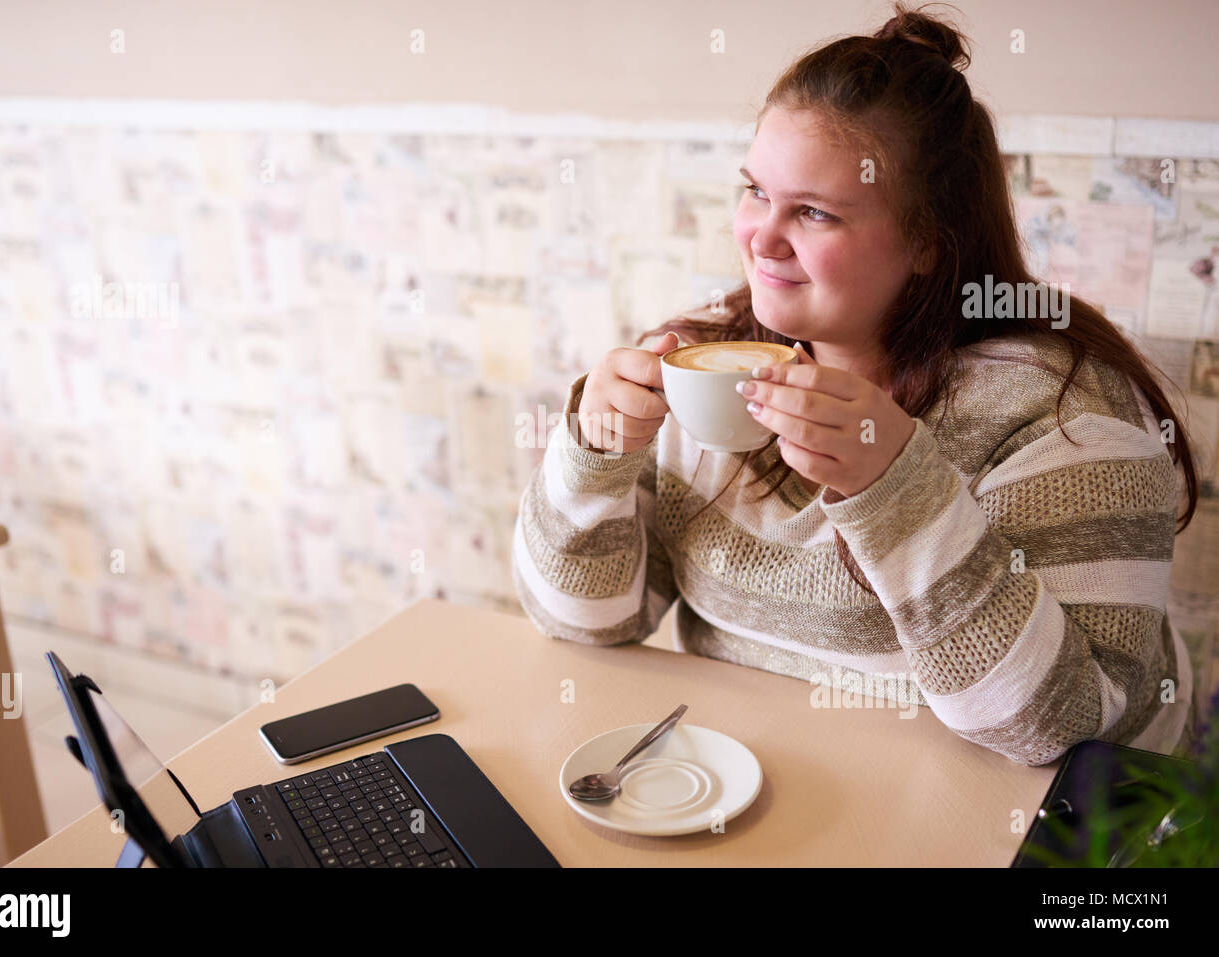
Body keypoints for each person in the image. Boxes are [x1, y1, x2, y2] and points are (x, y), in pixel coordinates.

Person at [511, 2, 1202, 767]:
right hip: (745, 796)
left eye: (814, 212)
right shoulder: (704, 358)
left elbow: (1063, 727)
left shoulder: (1063, 415)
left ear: (927, 244)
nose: (761, 239)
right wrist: (592, 453)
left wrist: (897, 487)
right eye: (754, 192)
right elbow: (588, 623)